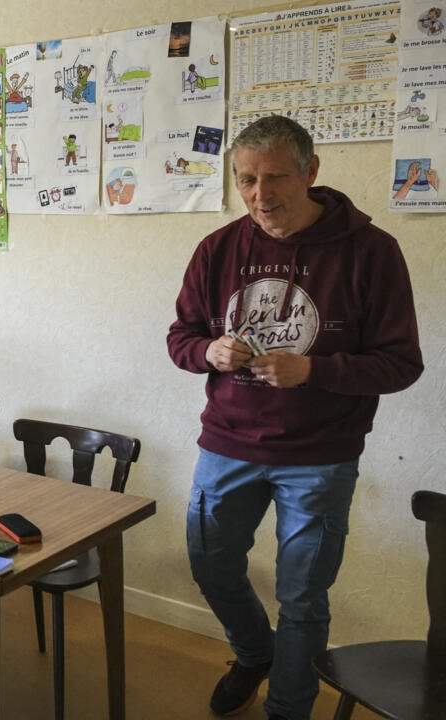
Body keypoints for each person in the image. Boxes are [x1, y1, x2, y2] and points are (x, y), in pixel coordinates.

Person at [167, 115, 423, 720]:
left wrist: (315, 371)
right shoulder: (218, 248)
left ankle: (289, 708)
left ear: (311, 171)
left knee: (303, 597)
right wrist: (209, 351)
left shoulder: (372, 252)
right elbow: (181, 337)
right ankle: (254, 652)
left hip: (320, 456)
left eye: (276, 177)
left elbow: (401, 363)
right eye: (246, 179)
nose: (261, 195)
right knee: (209, 564)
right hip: (226, 443)